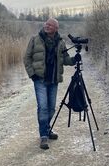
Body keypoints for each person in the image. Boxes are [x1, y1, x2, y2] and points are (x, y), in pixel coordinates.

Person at [24, 18, 77, 150]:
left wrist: (74, 60)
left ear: (56, 28)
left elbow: (65, 59)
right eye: (46, 24)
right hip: (40, 80)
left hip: (53, 80)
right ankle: (43, 136)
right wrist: (32, 74)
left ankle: (46, 129)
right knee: (43, 108)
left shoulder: (60, 42)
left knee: (52, 108)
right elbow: (27, 58)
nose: (47, 26)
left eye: (50, 25)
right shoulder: (35, 39)